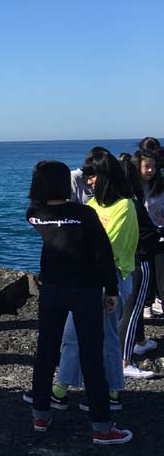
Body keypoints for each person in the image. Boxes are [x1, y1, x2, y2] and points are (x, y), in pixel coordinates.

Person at [24, 160, 131, 444]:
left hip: (51, 290)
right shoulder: (84, 213)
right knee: (91, 356)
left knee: (46, 352)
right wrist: (112, 290)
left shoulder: (34, 213)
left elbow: (45, 211)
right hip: (85, 291)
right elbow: (102, 253)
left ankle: (40, 415)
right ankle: (102, 426)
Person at [55, 150, 138, 402]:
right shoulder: (92, 205)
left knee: (107, 336)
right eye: (88, 177)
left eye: (94, 176)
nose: (90, 182)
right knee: (71, 334)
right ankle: (63, 384)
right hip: (85, 278)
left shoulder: (125, 206)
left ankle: (112, 387)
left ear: (106, 176)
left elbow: (106, 245)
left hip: (112, 277)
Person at [117, 156, 159, 373]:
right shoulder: (131, 203)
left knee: (131, 306)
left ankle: (140, 341)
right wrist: (158, 233)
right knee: (132, 311)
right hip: (138, 260)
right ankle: (124, 361)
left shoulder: (110, 202)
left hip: (120, 262)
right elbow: (148, 233)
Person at [135, 149, 164, 317]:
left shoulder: (160, 186)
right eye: (146, 166)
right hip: (142, 235)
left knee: (160, 273)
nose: (150, 170)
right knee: (146, 272)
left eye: (153, 166)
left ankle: (157, 301)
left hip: (160, 233)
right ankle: (146, 303)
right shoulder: (133, 188)